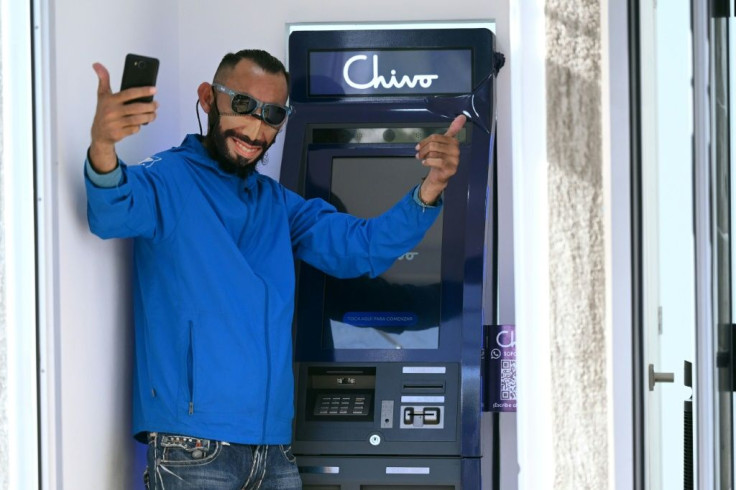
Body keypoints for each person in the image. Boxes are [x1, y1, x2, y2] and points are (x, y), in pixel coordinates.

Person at [85, 49, 464, 490]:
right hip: (193, 450)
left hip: (275, 452)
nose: (256, 128)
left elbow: (363, 247)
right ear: (208, 99)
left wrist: (431, 188)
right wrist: (103, 144)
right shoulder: (167, 179)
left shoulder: (277, 203)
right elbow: (111, 212)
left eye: (273, 115)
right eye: (244, 106)